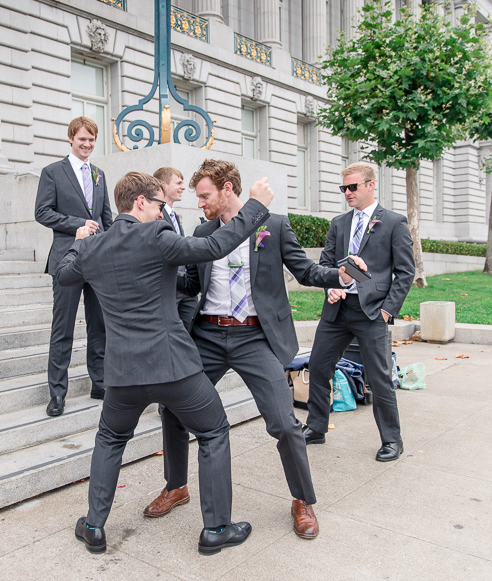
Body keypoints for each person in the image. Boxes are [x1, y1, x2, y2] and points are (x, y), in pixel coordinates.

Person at [57, 171, 274, 556]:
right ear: (140, 202)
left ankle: (93, 526)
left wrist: (78, 243)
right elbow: (217, 245)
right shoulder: (157, 236)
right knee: (212, 431)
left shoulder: (94, 248)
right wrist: (256, 204)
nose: (163, 213)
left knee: (109, 439)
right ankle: (216, 529)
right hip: (174, 368)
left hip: (123, 375)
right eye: (160, 205)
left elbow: (63, 275)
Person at [146, 159, 360, 540]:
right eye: (197, 197)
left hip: (254, 337)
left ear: (228, 189)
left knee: (284, 423)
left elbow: (305, 270)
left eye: (206, 195)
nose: (200, 204)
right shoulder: (203, 230)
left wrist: (338, 274)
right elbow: (191, 283)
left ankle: (302, 500)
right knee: (172, 410)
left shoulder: (272, 225)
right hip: (208, 337)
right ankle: (176, 486)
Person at [302, 161, 415, 462]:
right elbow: (325, 265)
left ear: (370, 185)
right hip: (337, 310)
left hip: (372, 312)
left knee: (379, 378)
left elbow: (405, 272)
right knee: (318, 365)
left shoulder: (393, 222)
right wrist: (331, 287)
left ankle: (392, 440)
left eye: (352, 187)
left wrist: (388, 312)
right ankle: (316, 427)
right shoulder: (339, 223)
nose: (347, 193)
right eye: (344, 188)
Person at [34, 116, 112, 416]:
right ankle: (57, 393)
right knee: (62, 328)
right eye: (82, 139)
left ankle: (100, 382)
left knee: (99, 326)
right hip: (67, 259)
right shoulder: (53, 172)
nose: (87, 144)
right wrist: (79, 223)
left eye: (91, 139)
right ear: (71, 138)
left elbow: (105, 217)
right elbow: (42, 212)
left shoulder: (99, 174)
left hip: (97, 261)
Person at [152, 166, 197, 332]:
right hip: (169, 289)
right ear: (163, 184)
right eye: (178, 183)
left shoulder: (174, 215)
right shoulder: (155, 215)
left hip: (186, 289)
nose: (183, 187)